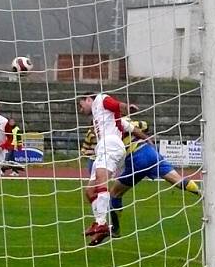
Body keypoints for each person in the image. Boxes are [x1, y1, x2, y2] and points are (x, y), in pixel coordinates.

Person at [100, 117, 200, 245]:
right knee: (177, 180)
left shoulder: (112, 125)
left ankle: (115, 229)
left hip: (136, 157)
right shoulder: (128, 120)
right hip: (150, 152)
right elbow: (145, 125)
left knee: (114, 193)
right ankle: (202, 193)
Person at [76, 92, 147, 246]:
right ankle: (101, 227)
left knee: (102, 181)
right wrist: (148, 139)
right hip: (104, 148)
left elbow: (114, 104)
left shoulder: (100, 99)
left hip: (111, 145)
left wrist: (127, 107)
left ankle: (101, 224)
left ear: (88, 99)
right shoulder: (107, 119)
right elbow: (132, 128)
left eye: (81, 106)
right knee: (89, 192)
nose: (81, 110)